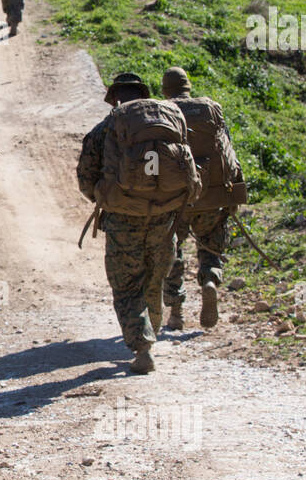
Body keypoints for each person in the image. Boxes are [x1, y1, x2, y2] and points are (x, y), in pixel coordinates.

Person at [76, 73, 200, 373]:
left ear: (115, 99)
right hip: (165, 217)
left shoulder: (106, 127)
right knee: (154, 279)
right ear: (142, 95)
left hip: (123, 219)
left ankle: (143, 346)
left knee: (127, 283)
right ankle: (152, 331)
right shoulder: (170, 120)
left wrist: (105, 196)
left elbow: (85, 177)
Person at [160, 66, 245, 330]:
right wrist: (236, 190)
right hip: (212, 196)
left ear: (165, 89)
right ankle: (210, 278)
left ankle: (176, 312)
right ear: (188, 87)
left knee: (173, 250)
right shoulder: (210, 108)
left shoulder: (163, 111)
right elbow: (227, 149)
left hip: (177, 199)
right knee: (211, 245)